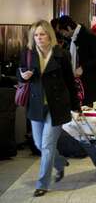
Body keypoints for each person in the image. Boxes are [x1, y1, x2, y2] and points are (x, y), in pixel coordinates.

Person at [17, 20, 80, 197]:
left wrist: (76, 106)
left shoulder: (61, 55)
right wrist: (22, 76)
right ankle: (59, 163)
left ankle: (42, 183)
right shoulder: (28, 54)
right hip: (36, 106)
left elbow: (70, 82)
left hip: (57, 106)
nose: (39, 38)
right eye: (36, 35)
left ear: (49, 35)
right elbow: (20, 73)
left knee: (46, 145)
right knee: (39, 144)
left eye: (42, 34)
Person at [58, 15, 96, 107]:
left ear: (68, 28)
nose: (63, 35)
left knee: (86, 109)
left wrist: (83, 67)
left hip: (88, 80)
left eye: (63, 32)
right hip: (78, 81)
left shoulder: (88, 36)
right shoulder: (73, 38)